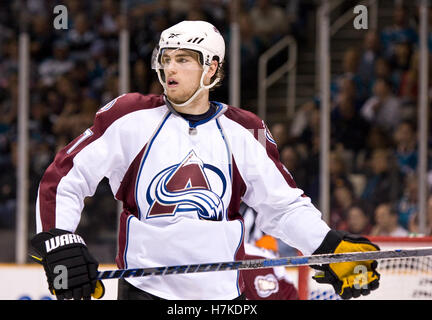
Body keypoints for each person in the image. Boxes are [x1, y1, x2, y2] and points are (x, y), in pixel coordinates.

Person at [30, 20, 380, 300]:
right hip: (146, 291)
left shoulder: (245, 129)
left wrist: (329, 245)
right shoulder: (129, 117)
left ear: (211, 68)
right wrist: (58, 240)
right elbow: (65, 178)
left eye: (183, 59)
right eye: (166, 59)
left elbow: (282, 206)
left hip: (224, 296)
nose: (171, 68)